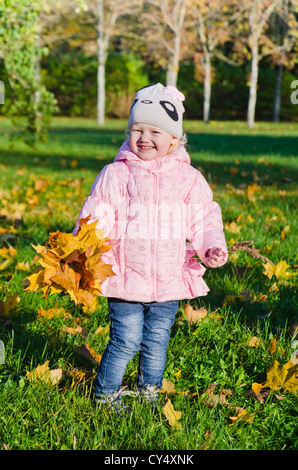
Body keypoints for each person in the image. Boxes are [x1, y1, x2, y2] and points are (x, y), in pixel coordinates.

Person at [73, 83, 228, 410]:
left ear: (174, 139)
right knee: (125, 339)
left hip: (168, 281)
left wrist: (211, 246)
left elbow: (204, 217)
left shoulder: (188, 179)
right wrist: (83, 248)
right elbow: (96, 212)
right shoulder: (116, 174)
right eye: (136, 129)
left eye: (154, 130)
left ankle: (149, 392)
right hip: (125, 278)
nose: (143, 137)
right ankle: (105, 394)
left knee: (157, 341)